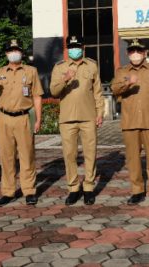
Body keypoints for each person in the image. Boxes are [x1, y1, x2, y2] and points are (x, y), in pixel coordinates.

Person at [0, 39, 43, 207]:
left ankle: (29, 191)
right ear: (6, 53)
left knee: (27, 155)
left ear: (21, 52)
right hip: (4, 118)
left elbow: (37, 96)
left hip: (24, 117)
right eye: (10, 50)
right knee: (6, 157)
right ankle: (8, 192)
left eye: (16, 49)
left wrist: (38, 119)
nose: (13, 53)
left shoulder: (31, 71)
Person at [111, 39, 149, 206]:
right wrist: (128, 82)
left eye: (138, 51)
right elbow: (115, 89)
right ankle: (137, 191)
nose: (135, 54)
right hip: (130, 121)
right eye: (132, 51)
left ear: (144, 53)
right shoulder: (122, 71)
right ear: (128, 54)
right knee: (133, 158)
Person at [50, 35, 104, 206]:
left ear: (83, 47)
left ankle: (88, 187)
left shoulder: (92, 65)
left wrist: (100, 112)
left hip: (88, 117)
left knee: (90, 153)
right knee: (69, 155)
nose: (74, 49)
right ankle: (73, 188)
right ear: (67, 48)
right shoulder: (60, 67)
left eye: (77, 46)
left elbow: (98, 91)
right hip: (67, 119)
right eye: (71, 46)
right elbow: (53, 91)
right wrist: (65, 79)